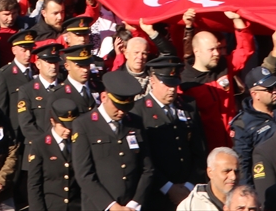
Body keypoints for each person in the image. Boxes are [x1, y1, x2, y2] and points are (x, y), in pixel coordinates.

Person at [71, 69, 153, 211]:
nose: (121, 112)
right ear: (104, 97)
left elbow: (147, 168)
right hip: (100, 206)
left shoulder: (135, 122)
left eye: (126, 107)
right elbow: (84, 174)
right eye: (118, 106)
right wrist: (112, 206)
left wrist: (135, 203)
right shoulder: (84, 125)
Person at [139, 55, 207, 208]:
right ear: (152, 81)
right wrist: (168, 187)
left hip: (189, 192)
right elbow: (144, 160)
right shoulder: (139, 111)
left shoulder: (188, 106)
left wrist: (190, 185)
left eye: (174, 84)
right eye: (166, 84)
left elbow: (199, 149)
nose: (172, 89)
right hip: (156, 195)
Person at [181, 12, 255, 150]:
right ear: (197, 51)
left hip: (235, 141)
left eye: (218, 48)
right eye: (211, 50)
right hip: (208, 148)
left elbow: (246, 50)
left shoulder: (224, 65)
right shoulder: (185, 82)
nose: (217, 53)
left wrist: (237, 20)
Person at [27, 97, 83, 211]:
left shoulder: (79, 142)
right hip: (51, 206)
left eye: (71, 126)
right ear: (52, 121)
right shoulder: (40, 145)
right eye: (63, 126)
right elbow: (34, 184)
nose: (68, 130)